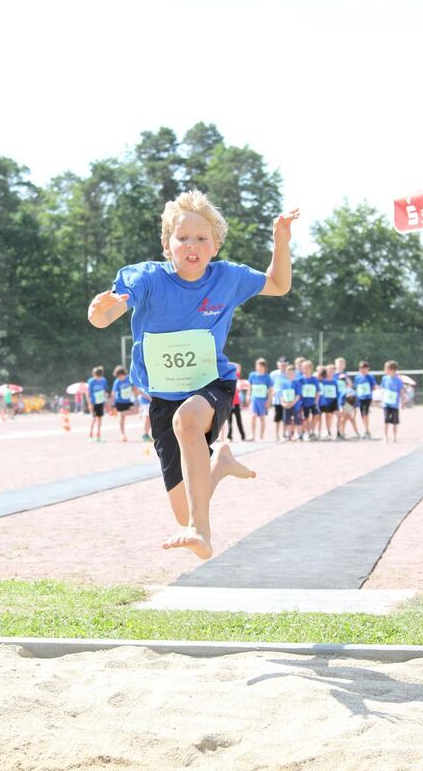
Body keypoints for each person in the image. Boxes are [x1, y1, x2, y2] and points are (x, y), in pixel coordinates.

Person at [87, 189, 298, 559]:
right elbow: (106, 316)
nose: (192, 245)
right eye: (182, 238)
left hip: (211, 385)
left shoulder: (227, 278)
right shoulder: (147, 278)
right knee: (186, 507)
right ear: (167, 245)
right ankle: (220, 464)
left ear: (215, 245)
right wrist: (98, 312)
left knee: (189, 421)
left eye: (201, 238)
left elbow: (279, 285)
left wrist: (280, 242)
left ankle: (202, 532)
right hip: (163, 399)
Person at [248, 357, 274, 441]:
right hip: (254, 399)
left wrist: (269, 401)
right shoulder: (252, 375)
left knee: (262, 418)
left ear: (264, 367)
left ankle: (261, 436)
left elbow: (270, 390)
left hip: (263, 400)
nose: (259, 368)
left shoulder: (267, 377)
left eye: (261, 366)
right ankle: (252, 435)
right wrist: (248, 396)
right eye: (257, 366)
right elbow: (250, 386)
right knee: (253, 416)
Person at [381, 360, 405, 442]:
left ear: (391, 369)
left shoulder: (399, 380)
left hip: (395, 404)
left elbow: (401, 391)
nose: (385, 370)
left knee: (395, 421)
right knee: (386, 419)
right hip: (386, 404)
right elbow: (383, 389)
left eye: (386, 368)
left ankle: (395, 437)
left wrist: (403, 402)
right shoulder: (384, 379)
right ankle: (385, 436)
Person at [111, 365, 135, 442]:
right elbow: (113, 393)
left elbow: (134, 387)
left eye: (121, 376)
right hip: (119, 402)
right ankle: (122, 434)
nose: (120, 378)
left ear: (124, 374)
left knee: (137, 410)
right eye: (118, 376)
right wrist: (113, 404)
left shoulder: (129, 378)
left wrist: (135, 394)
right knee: (122, 419)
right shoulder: (117, 382)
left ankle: (121, 413)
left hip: (128, 401)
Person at [354, 361, 377, 439]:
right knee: (362, 414)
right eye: (361, 369)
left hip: (367, 398)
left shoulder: (370, 377)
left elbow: (374, 386)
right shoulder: (357, 377)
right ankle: (365, 429)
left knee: (365, 413)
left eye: (365, 369)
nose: (363, 370)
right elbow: (356, 387)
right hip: (360, 398)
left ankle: (367, 430)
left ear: (368, 369)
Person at [299, 359, 321, 440]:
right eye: (304, 368)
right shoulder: (300, 380)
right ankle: (308, 433)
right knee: (305, 418)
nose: (305, 370)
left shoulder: (314, 379)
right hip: (304, 402)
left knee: (317, 415)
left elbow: (317, 391)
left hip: (313, 402)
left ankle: (311, 431)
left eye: (307, 368)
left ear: (311, 369)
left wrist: (316, 401)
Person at [86, 365, 109, 442]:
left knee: (100, 418)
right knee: (94, 418)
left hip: (101, 402)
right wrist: (89, 404)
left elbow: (105, 391)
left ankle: (98, 435)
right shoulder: (91, 381)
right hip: (94, 403)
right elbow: (88, 393)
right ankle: (90, 435)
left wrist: (106, 401)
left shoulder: (104, 380)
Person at [280, 364, 302, 440]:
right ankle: (289, 435)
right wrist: (283, 403)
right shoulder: (284, 384)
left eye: (292, 373)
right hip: (286, 405)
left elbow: (298, 395)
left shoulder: (297, 383)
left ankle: (299, 435)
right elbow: (282, 395)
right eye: (288, 373)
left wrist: (292, 403)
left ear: (294, 374)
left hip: (295, 406)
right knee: (287, 420)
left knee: (297, 420)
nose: (290, 375)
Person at [270, 356, 290, 440]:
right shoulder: (274, 374)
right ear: (278, 365)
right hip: (277, 399)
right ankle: (276, 435)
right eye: (281, 365)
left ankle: (284, 434)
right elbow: (270, 387)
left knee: (286, 418)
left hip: (287, 399)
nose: (283, 366)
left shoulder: (289, 373)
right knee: (277, 418)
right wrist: (270, 398)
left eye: (284, 365)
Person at [227, 362, 246, 442]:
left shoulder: (235, 376)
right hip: (229, 402)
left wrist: (227, 362)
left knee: (239, 420)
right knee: (229, 421)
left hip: (237, 402)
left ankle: (243, 436)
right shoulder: (225, 379)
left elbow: (239, 365)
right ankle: (229, 437)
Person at [320, 364, 338, 440]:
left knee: (334, 416)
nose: (330, 372)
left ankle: (339, 432)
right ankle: (327, 431)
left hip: (334, 401)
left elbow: (337, 392)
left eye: (332, 371)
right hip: (326, 402)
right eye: (329, 371)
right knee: (327, 416)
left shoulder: (335, 382)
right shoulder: (323, 381)